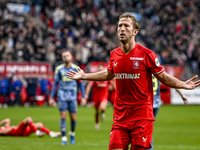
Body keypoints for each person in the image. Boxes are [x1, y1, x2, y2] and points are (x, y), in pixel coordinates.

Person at [67, 13, 200, 150]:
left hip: (142, 118)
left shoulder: (147, 54)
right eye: (120, 26)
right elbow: (108, 74)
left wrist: (183, 84)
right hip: (120, 118)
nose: (122, 29)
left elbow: (164, 78)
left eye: (126, 26)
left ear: (135, 31)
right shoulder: (114, 54)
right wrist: (84, 76)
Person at [49, 50, 86, 145]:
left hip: (73, 97)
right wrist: (51, 97)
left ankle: (72, 133)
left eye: (67, 55)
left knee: (73, 118)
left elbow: (81, 84)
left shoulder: (75, 68)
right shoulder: (59, 69)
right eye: (64, 56)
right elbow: (55, 84)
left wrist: (83, 96)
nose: (66, 57)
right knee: (63, 116)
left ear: (71, 57)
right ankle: (64, 137)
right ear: (62, 58)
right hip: (62, 96)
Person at [146, 75, 188, 150]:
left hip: (147, 104)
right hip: (156, 103)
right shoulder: (158, 70)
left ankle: (148, 147)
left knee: (145, 130)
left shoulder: (144, 69)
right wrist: (182, 95)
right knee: (148, 129)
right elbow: (170, 81)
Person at [85, 64, 113, 130]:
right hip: (96, 97)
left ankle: (103, 113)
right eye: (99, 70)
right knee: (97, 112)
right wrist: (86, 94)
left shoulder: (106, 77)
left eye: (102, 69)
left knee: (102, 108)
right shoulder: (95, 78)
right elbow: (89, 86)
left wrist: (114, 89)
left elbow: (113, 84)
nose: (101, 71)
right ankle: (97, 123)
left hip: (104, 96)